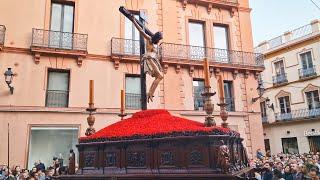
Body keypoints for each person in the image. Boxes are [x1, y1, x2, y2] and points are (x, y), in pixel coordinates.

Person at [130, 15, 163, 102]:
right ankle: (150, 93)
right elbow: (141, 31)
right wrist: (134, 21)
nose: (159, 41)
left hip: (154, 60)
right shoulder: (149, 39)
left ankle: (150, 93)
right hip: (149, 59)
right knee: (160, 76)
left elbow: (156, 54)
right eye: (159, 39)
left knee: (159, 77)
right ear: (157, 37)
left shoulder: (155, 44)